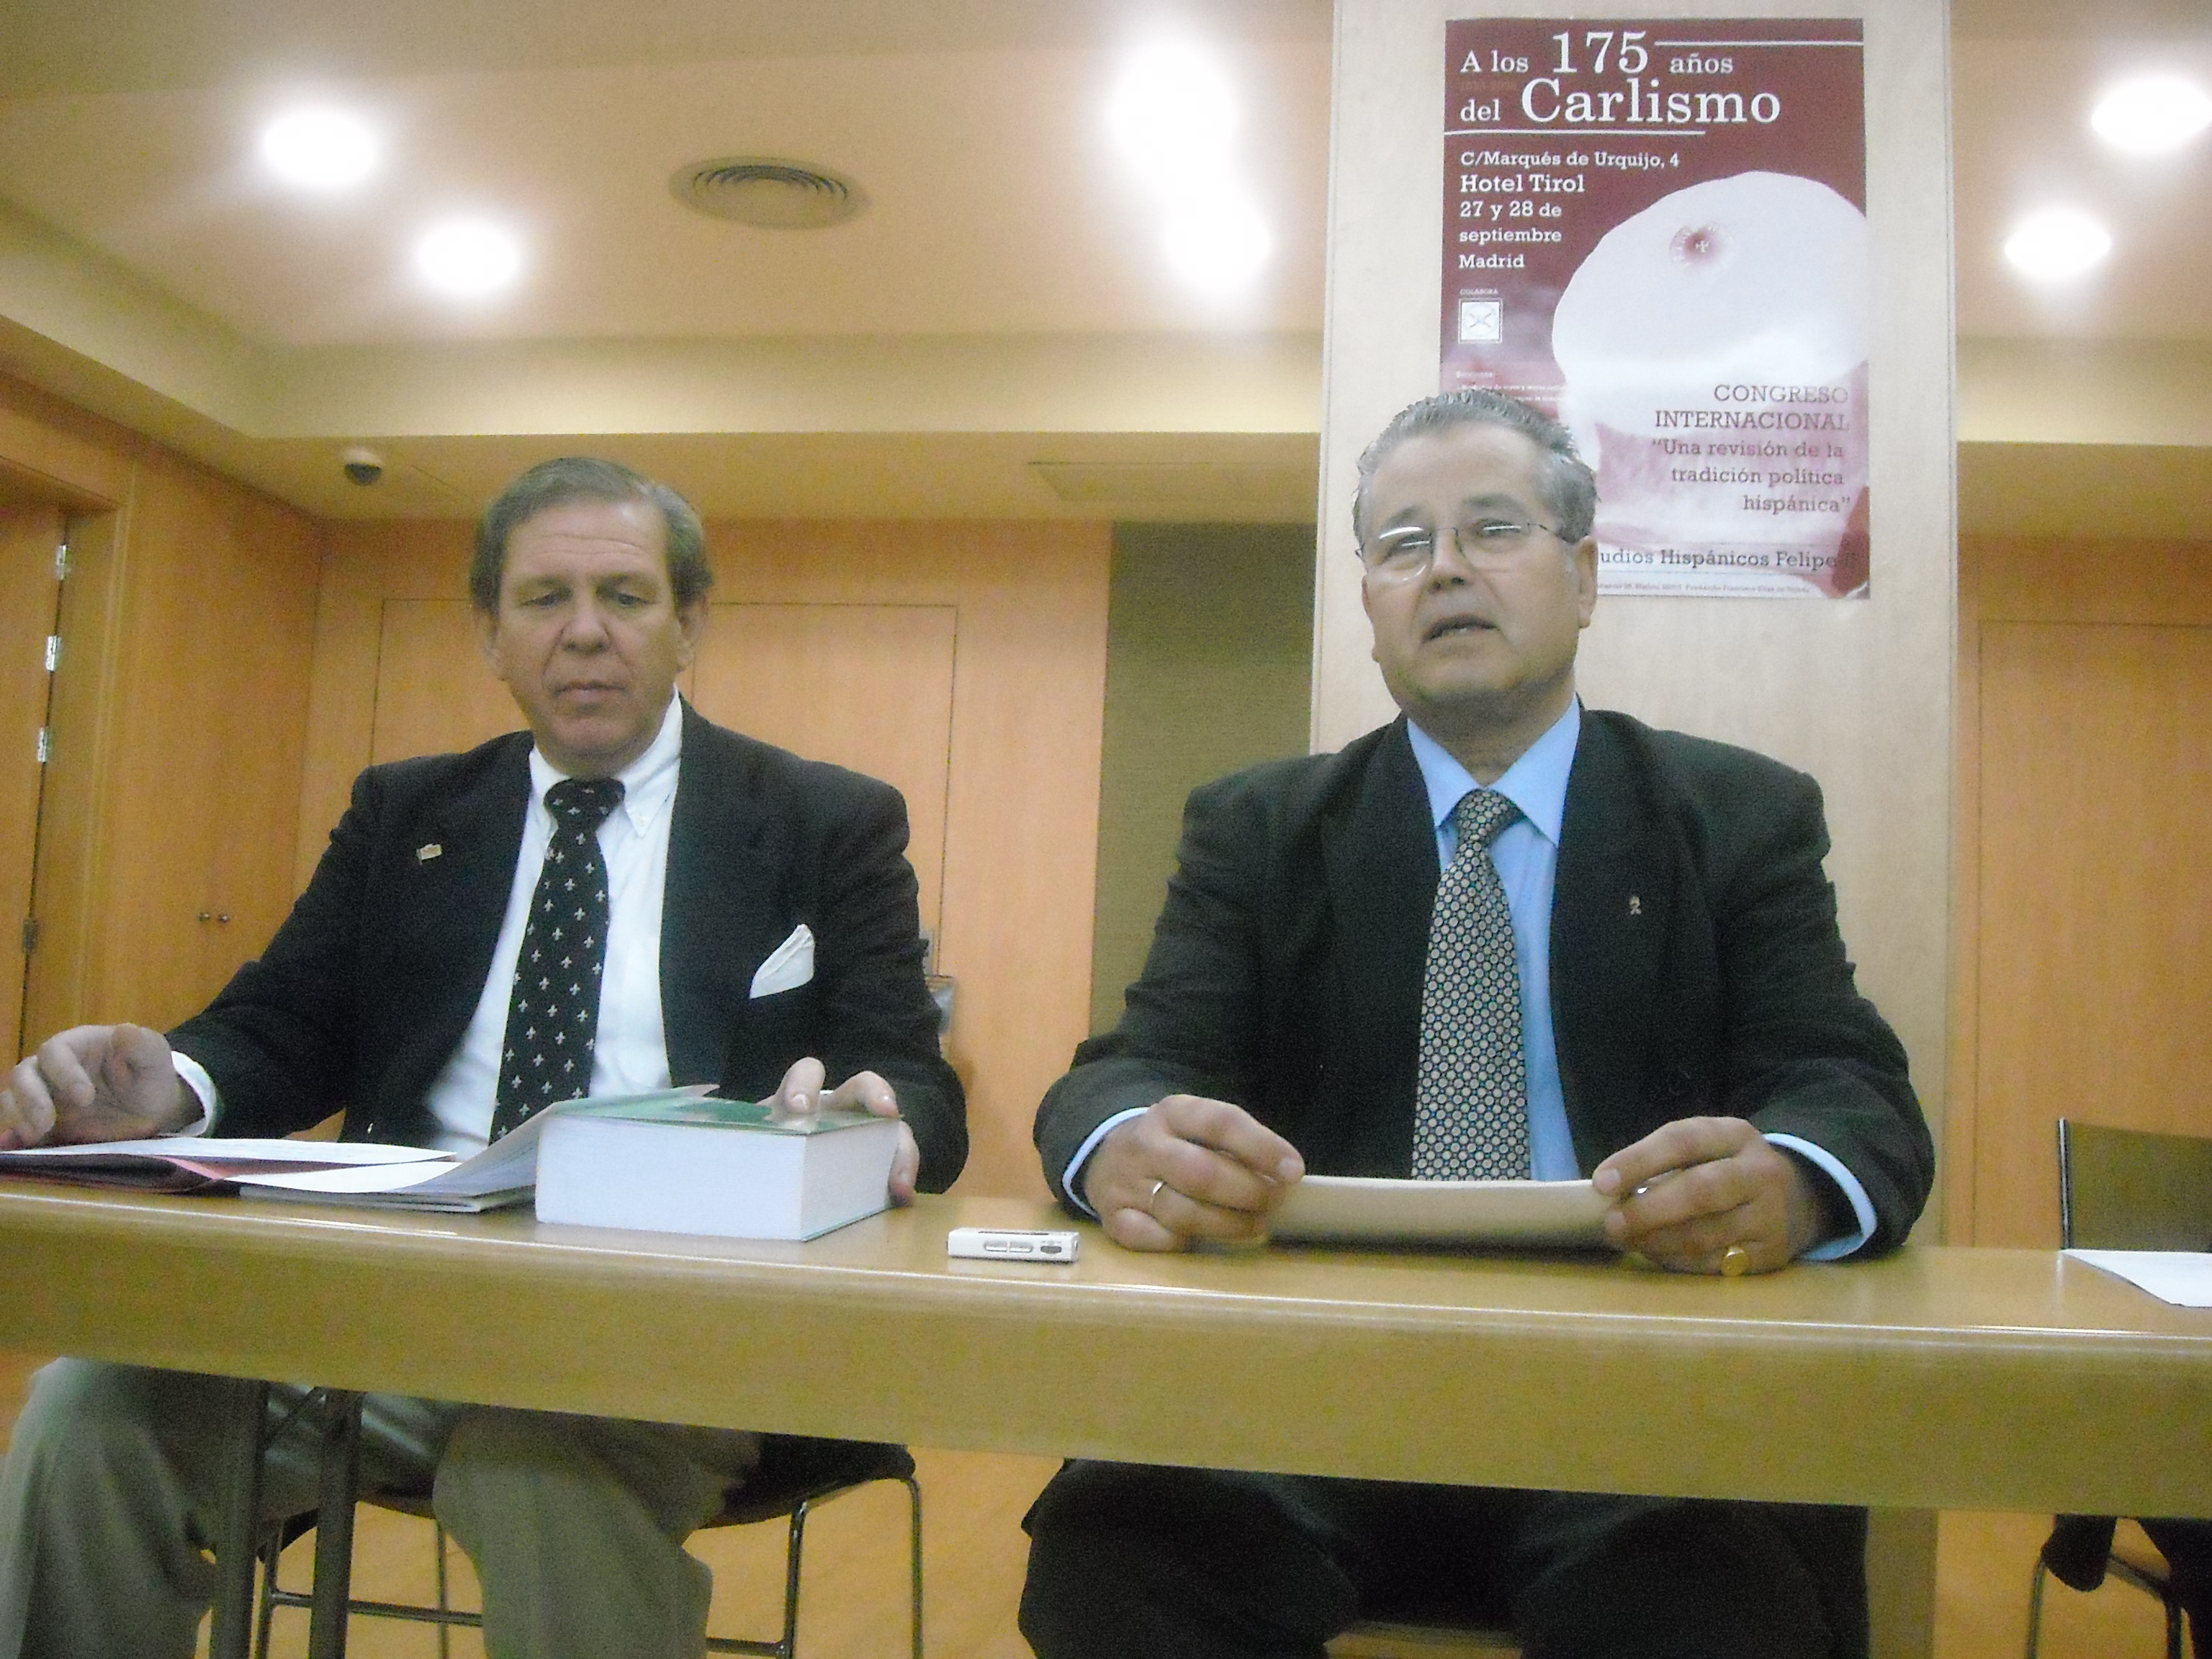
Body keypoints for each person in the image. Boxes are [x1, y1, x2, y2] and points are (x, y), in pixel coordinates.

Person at [1020, 390, 1933, 1659]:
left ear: (1585, 576)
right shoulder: (1260, 829)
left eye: (1493, 529)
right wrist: (1123, 1142)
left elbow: (1848, 1087)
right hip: (1313, 1394)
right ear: (1371, 604)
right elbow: (1132, 1069)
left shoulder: (1736, 815)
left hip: (1644, 1398)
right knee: (1118, 1557)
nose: (1444, 568)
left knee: (1705, 1596)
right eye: (1403, 544)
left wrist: (1792, 1181)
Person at [0, 456, 965, 1659]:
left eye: (625, 597)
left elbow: (911, 1078)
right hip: (394, 1312)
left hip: (680, 1330)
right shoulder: (407, 814)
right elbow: (283, 1027)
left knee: (534, 1469)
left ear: (688, 626)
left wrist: (883, 1113)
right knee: (91, 1413)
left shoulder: (826, 818)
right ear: (490, 635)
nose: (584, 633)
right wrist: (176, 1087)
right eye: (544, 599)